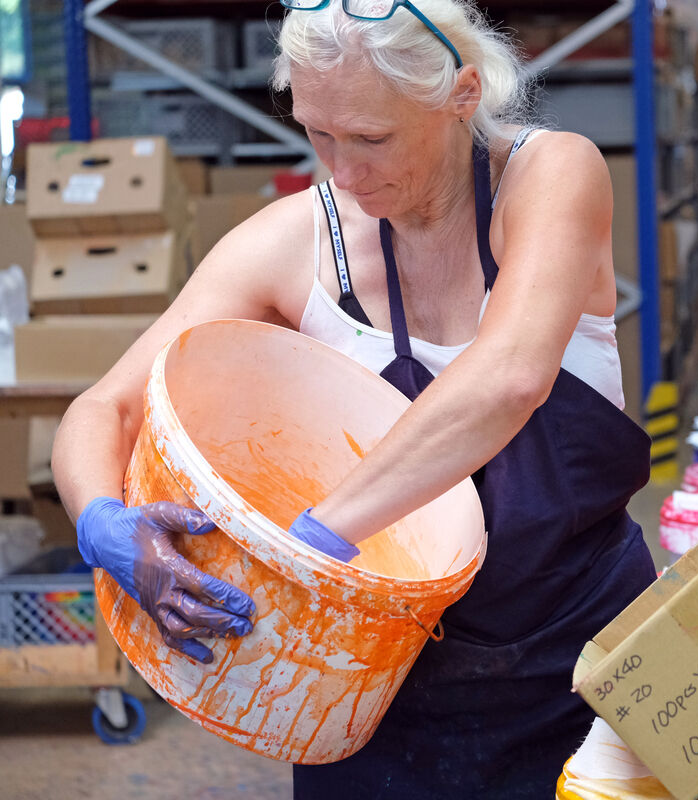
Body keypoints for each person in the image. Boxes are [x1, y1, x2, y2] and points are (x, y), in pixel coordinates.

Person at [52, 0, 658, 796]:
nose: (342, 171)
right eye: (318, 132)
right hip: (369, 697)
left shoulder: (548, 176)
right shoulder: (295, 242)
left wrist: (313, 542)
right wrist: (103, 522)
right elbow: (105, 410)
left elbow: (508, 376)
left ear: (461, 94)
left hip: (583, 670)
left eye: (372, 138)